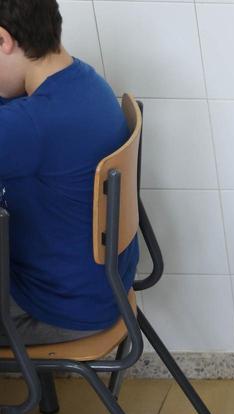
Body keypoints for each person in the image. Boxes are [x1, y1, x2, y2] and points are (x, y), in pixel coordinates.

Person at [0, 0, 138, 345]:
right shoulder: (84, 82)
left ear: (4, 41)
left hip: (56, 309)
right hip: (98, 290)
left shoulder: (30, 125)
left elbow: (25, 129)